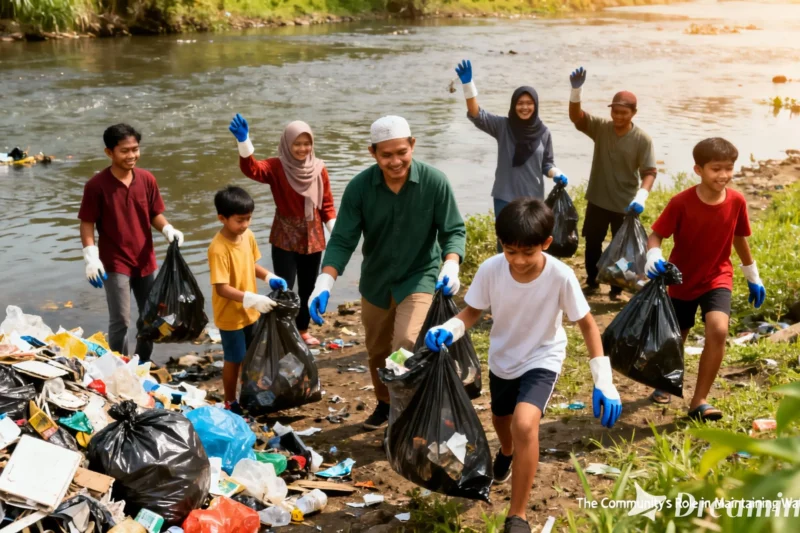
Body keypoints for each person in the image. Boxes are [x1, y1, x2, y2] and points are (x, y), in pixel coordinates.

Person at [424, 197, 622, 533]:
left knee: (525, 423)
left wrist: (603, 379)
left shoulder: (560, 276)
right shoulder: (491, 269)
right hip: (503, 359)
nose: (517, 260)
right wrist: (449, 328)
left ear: (546, 243)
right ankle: (506, 452)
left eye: (527, 252)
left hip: (543, 356)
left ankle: (518, 515)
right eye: (510, 250)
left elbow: (587, 324)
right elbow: (472, 312)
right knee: (502, 421)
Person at [307, 115, 467, 430]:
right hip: (377, 281)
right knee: (377, 351)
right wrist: (324, 282)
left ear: (412, 146)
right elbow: (342, 240)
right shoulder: (359, 189)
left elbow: (453, 230)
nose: (395, 161)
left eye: (401, 152)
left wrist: (451, 263)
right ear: (373, 153)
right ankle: (384, 403)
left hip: (419, 276)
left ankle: (404, 410)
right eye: (386, 155)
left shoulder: (435, 182)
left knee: (406, 343)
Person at [644, 138, 766, 420]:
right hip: (681, 280)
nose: (723, 175)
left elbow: (739, 236)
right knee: (676, 338)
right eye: (715, 169)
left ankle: (699, 400)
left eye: (728, 168)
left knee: (719, 330)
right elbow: (656, 235)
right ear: (698, 170)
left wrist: (752, 275)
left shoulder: (736, 201)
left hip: (717, 276)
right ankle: (665, 381)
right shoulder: (681, 202)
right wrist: (653, 255)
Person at [78, 124, 184, 364]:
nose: (132, 156)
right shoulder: (96, 186)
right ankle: (118, 364)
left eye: (135, 149)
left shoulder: (146, 179)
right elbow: (87, 223)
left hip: (146, 259)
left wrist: (167, 229)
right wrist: (90, 258)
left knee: (150, 316)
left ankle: (142, 361)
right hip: (115, 262)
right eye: (125, 151)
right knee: (121, 320)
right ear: (109, 153)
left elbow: (154, 213)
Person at [229, 114, 337, 346]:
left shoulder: (319, 169)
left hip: (313, 235)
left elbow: (327, 205)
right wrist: (244, 141)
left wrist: (336, 232)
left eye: (306, 143)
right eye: (297, 144)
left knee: (309, 285)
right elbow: (252, 169)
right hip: (285, 234)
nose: (302, 148)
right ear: (287, 144)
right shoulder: (277, 167)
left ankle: (303, 329)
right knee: (284, 284)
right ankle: (282, 332)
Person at [455, 60, 567, 251]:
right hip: (505, 197)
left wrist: (556, 173)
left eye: (529, 103)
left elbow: (546, 164)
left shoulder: (544, 132)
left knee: (531, 245)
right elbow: (477, 114)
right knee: (506, 245)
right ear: (514, 105)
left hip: (534, 199)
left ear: (536, 105)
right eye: (520, 103)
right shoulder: (503, 127)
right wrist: (468, 85)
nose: (525, 107)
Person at [568, 66, 657, 297]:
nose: (618, 117)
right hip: (598, 198)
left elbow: (649, 172)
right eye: (615, 112)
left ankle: (617, 286)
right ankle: (593, 280)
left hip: (625, 204)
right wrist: (576, 92)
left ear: (633, 113)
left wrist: (641, 197)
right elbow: (576, 117)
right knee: (593, 243)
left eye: (624, 113)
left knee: (623, 249)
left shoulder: (642, 139)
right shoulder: (601, 129)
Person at [208, 186, 288, 412]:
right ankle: (230, 400)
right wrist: (252, 299)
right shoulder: (218, 248)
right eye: (239, 221)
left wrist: (269, 277)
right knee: (234, 358)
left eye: (248, 219)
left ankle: (250, 391)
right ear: (222, 218)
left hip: (250, 311)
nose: (244, 225)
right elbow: (222, 288)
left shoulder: (248, 236)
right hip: (230, 315)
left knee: (251, 356)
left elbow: (250, 265)